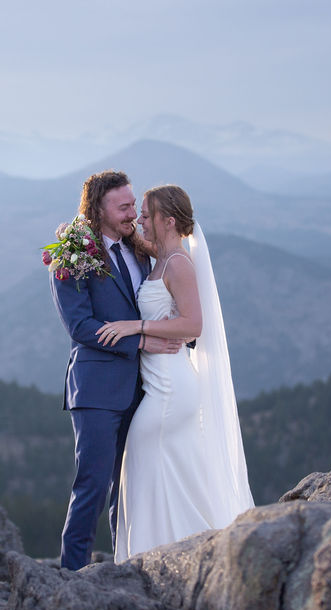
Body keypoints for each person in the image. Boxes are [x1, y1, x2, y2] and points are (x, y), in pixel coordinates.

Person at [96, 185, 254, 562]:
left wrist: (137, 327)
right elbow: (122, 237)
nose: (140, 220)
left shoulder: (179, 264)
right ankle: (177, 555)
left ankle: (150, 560)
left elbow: (193, 325)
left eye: (148, 215)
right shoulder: (162, 256)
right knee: (166, 475)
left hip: (171, 390)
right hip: (162, 386)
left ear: (169, 221)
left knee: (140, 463)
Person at [49, 170, 182, 571]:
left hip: (144, 389)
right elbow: (81, 327)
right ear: (99, 209)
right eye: (123, 207)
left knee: (129, 489)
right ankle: (69, 581)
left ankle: (121, 569)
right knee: (91, 486)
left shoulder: (139, 251)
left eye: (132, 205)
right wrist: (140, 340)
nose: (132, 214)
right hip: (96, 391)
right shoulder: (72, 253)